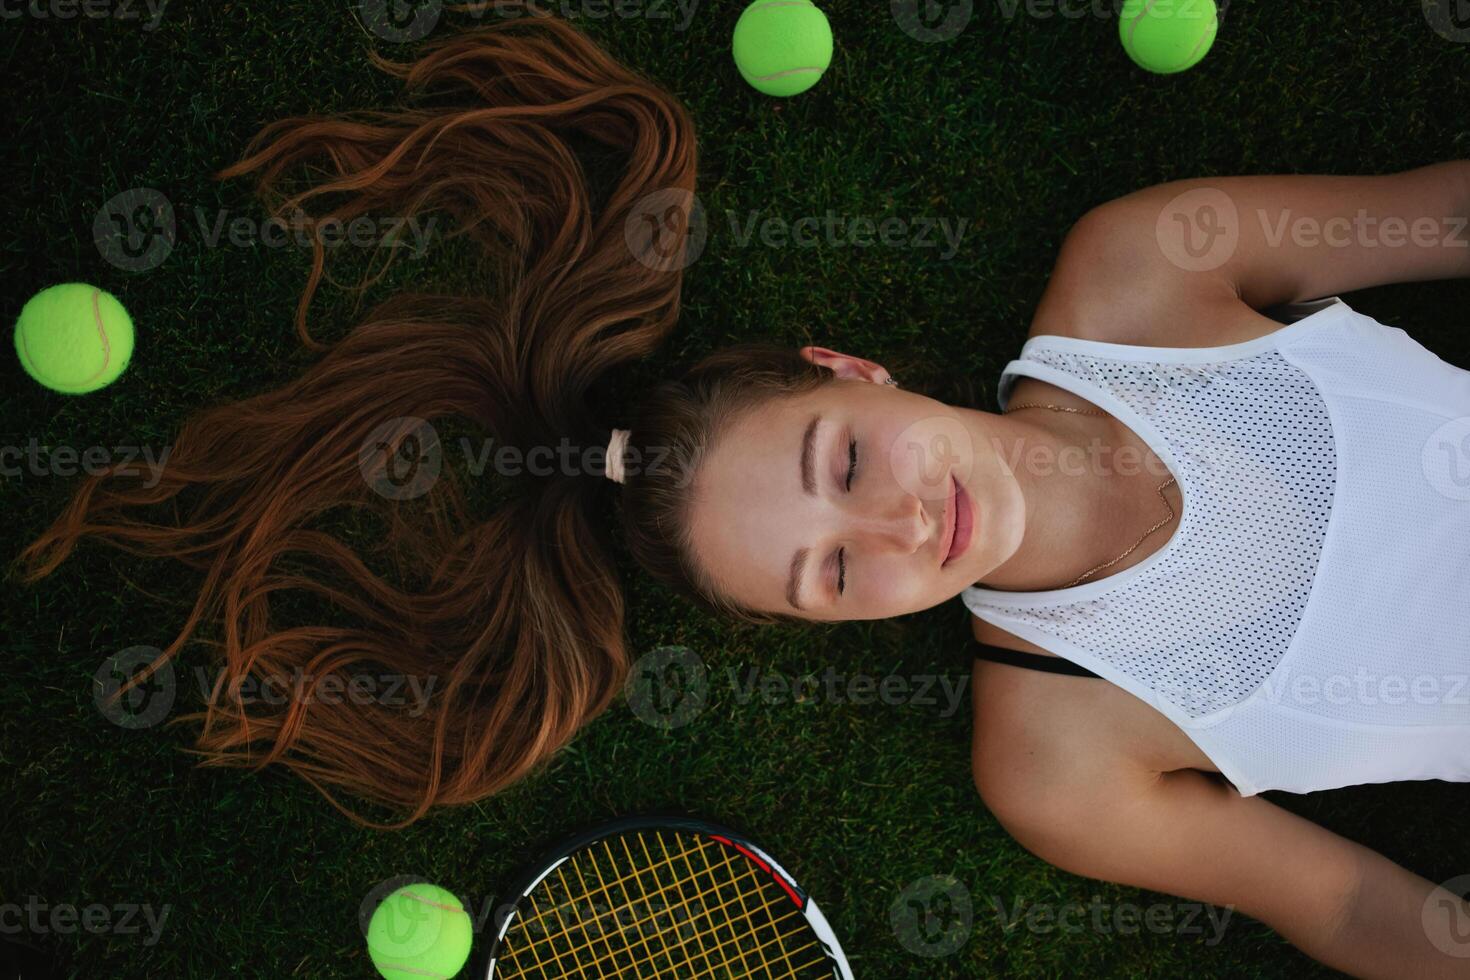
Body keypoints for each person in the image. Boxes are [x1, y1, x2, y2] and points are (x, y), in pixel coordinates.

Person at [19, 9, 1470, 975]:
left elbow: (1437, 214)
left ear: (851, 367)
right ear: (828, 628)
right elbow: (1338, 900)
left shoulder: (1144, 269)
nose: (899, 527)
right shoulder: (1054, 765)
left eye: (840, 460)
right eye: (831, 574)